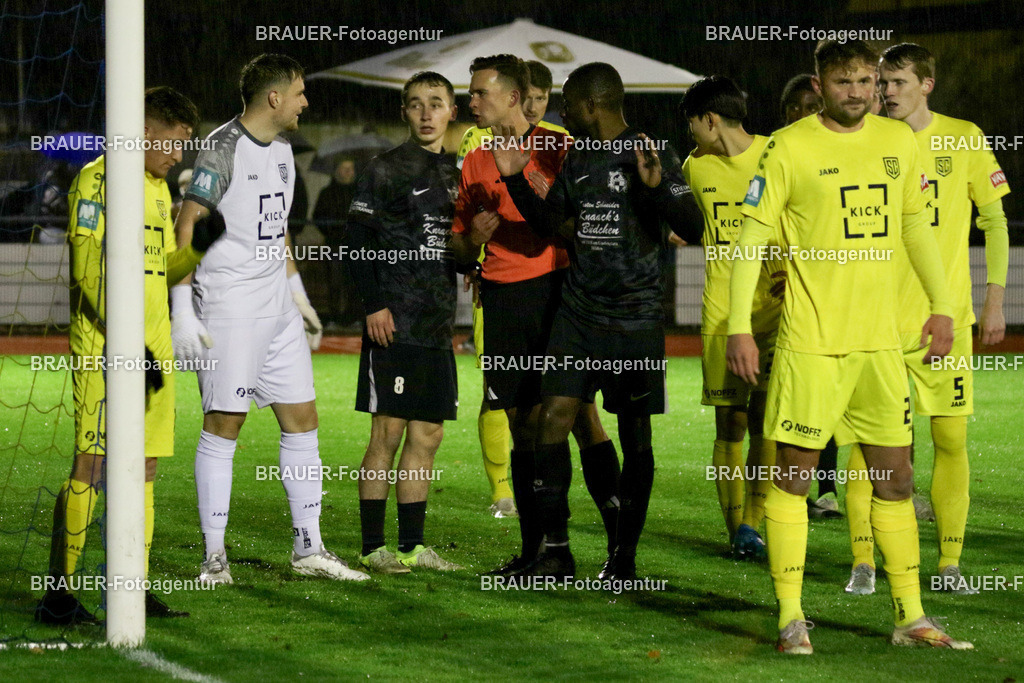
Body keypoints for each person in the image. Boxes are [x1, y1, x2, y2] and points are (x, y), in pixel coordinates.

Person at [726, 39, 971, 653]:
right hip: (811, 347)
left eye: (869, 81)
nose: (860, 92)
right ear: (820, 82)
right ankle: (789, 616)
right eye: (845, 82)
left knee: (895, 479)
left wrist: (942, 306)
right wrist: (736, 326)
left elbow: (915, 224)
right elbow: (751, 236)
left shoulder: (897, 141)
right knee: (793, 481)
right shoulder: (790, 146)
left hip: (881, 349)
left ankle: (910, 616)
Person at [491, 62, 702, 579]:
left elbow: (694, 226)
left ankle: (624, 558)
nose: (562, 111)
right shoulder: (579, 158)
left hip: (635, 323)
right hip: (579, 316)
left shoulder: (652, 151)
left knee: (635, 439)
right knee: (551, 419)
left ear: (592, 105)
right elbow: (555, 227)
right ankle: (552, 553)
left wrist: (654, 188)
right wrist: (517, 180)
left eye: (567, 101)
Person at [173, 53, 366, 585]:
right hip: (230, 308)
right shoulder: (221, 148)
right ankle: (214, 560)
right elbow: (187, 223)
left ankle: (309, 548)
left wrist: (298, 295)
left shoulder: (282, 149)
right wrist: (182, 307)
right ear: (274, 97)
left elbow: (276, 229)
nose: (306, 102)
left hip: (276, 308)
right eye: (300, 93)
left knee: (303, 420)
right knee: (224, 426)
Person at [35, 87, 217, 623]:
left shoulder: (160, 191)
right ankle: (59, 593)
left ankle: (129, 585)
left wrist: (200, 246)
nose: (179, 155)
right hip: (106, 351)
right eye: (175, 141)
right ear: (147, 128)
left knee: (145, 469)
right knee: (92, 465)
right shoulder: (98, 178)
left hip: (154, 350)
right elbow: (87, 270)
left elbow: (164, 272)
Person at [843, 42, 1010, 596]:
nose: (885, 93)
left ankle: (950, 564)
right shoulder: (867, 141)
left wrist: (993, 299)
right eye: (881, 84)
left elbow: (995, 221)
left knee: (952, 441)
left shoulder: (964, 137)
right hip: (877, 322)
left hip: (947, 322)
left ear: (926, 86)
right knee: (870, 447)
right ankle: (864, 561)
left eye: (896, 83)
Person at [451, 55, 622, 574]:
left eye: (480, 92)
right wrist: (471, 242)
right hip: (503, 300)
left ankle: (620, 544)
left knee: (577, 417)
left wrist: (528, 185)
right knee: (523, 425)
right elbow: (456, 248)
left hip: (558, 293)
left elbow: (576, 226)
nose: (471, 101)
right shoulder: (474, 158)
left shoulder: (559, 146)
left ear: (512, 96)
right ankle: (542, 550)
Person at [345, 71, 464, 573]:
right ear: (404, 113)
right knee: (387, 434)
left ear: (451, 111)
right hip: (392, 322)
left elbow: (455, 247)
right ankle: (374, 548)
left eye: (435, 103)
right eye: (415, 104)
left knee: (428, 434)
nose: (425, 113)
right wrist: (373, 304)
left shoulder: (460, 173)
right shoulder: (385, 170)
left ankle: (414, 547)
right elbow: (354, 244)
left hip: (437, 325)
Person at [679, 75, 782, 559]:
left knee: (766, 419)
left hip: (775, 313)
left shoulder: (775, 154)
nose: (689, 134)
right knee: (730, 422)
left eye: (692, 124)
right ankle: (735, 528)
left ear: (710, 119)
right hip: (721, 313)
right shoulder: (693, 168)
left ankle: (755, 524)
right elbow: (684, 221)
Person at [312, 157, 359, 328]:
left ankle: (353, 317)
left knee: (354, 283)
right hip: (333, 244)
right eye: (345, 168)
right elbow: (318, 217)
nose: (348, 172)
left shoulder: (359, 192)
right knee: (335, 282)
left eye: (351, 168)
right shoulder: (327, 193)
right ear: (337, 171)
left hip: (354, 244)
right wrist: (332, 232)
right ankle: (334, 317)